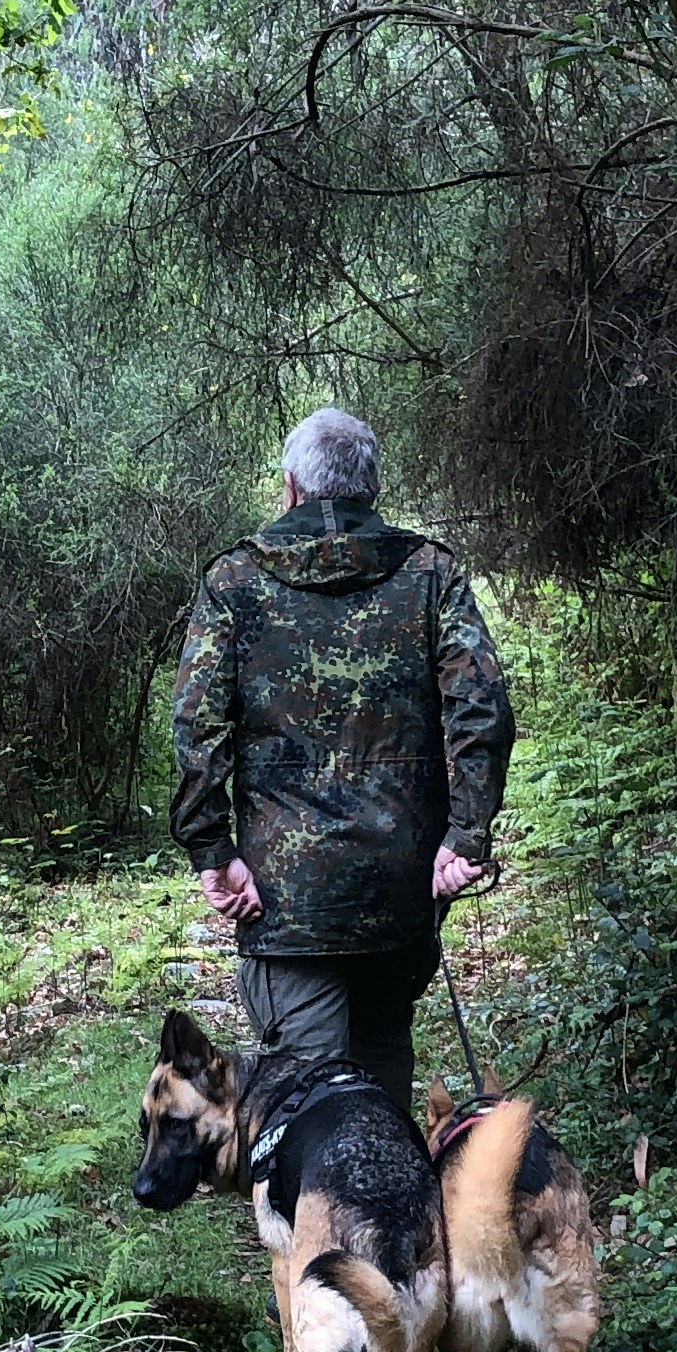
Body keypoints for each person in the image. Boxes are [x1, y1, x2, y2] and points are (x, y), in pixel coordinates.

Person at [168, 406, 513, 1116]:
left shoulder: (235, 581)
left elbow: (197, 725)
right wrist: (464, 836)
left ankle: (322, 1222)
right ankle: (390, 1219)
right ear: (371, 489)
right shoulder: (429, 574)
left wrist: (214, 851)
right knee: (382, 1076)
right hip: (399, 885)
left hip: (286, 897)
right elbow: (481, 706)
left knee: (312, 1099)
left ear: (291, 488)